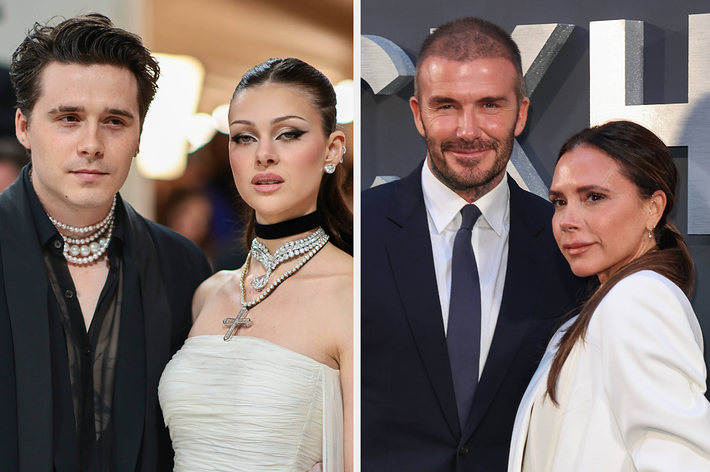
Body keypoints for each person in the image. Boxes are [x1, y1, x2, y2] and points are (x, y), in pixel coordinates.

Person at [361, 17, 587, 472]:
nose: (468, 130)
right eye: (445, 105)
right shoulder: (357, 230)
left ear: (520, 113)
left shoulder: (568, 243)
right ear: (417, 113)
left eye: (489, 105)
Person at [0, 14, 213, 472]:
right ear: (23, 127)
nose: (92, 144)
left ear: (138, 135)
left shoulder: (184, 267)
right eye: (69, 118)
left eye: (115, 121)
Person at [158, 58, 353, 472]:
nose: (264, 155)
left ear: (332, 148)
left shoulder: (354, 294)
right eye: (244, 138)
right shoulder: (208, 294)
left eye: (289, 134)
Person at [508, 120, 710, 472]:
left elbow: (682, 461)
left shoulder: (638, 301)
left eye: (594, 197)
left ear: (653, 208)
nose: (567, 220)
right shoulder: (606, 306)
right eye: (559, 201)